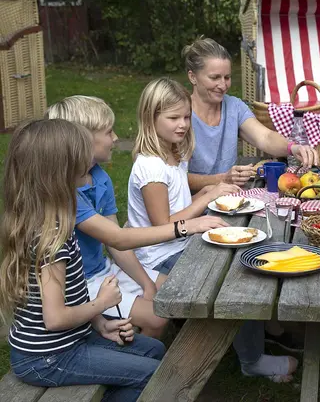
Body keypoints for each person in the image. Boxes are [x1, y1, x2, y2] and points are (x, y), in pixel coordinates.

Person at [128, 77, 298, 381]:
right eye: (173, 118)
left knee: (245, 258)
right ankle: (252, 360)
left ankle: (257, 337)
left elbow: (178, 204)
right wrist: (206, 198)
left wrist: (207, 195)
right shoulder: (151, 167)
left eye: (185, 117)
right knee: (235, 278)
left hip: (179, 242)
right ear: (149, 118)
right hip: (158, 255)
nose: (182, 125)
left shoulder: (172, 152)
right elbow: (163, 224)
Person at [0, 119, 165, 402]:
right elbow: (54, 319)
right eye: (81, 154)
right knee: (155, 375)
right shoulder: (51, 238)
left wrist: (101, 323)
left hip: (71, 339)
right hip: (47, 358)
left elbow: (70, 297)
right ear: (62, 170)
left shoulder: (56, 220)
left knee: (154, 350)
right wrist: (101, 303)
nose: (88, 158)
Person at [46, 96, 227, 338]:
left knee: (175, 288)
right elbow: (119, 238)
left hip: (103, 270)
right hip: (76, 286)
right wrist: (187, 226)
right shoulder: (64, 193)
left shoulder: (99, 177)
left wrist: (146, 284)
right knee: (157, 317)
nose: (115, 138)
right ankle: (139, 362)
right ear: (83, 139)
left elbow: (115, 245)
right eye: (109, 132)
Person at [182, 36, 318, 191]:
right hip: (192, 205)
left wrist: (293, 148)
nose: (222, 85)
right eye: (214, 78)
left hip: (229, 200)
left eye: (227, 77)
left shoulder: (234, 106)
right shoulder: (179, 115)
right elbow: (176, 178)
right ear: (193, 77)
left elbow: (265, 137)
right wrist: (222, 179)